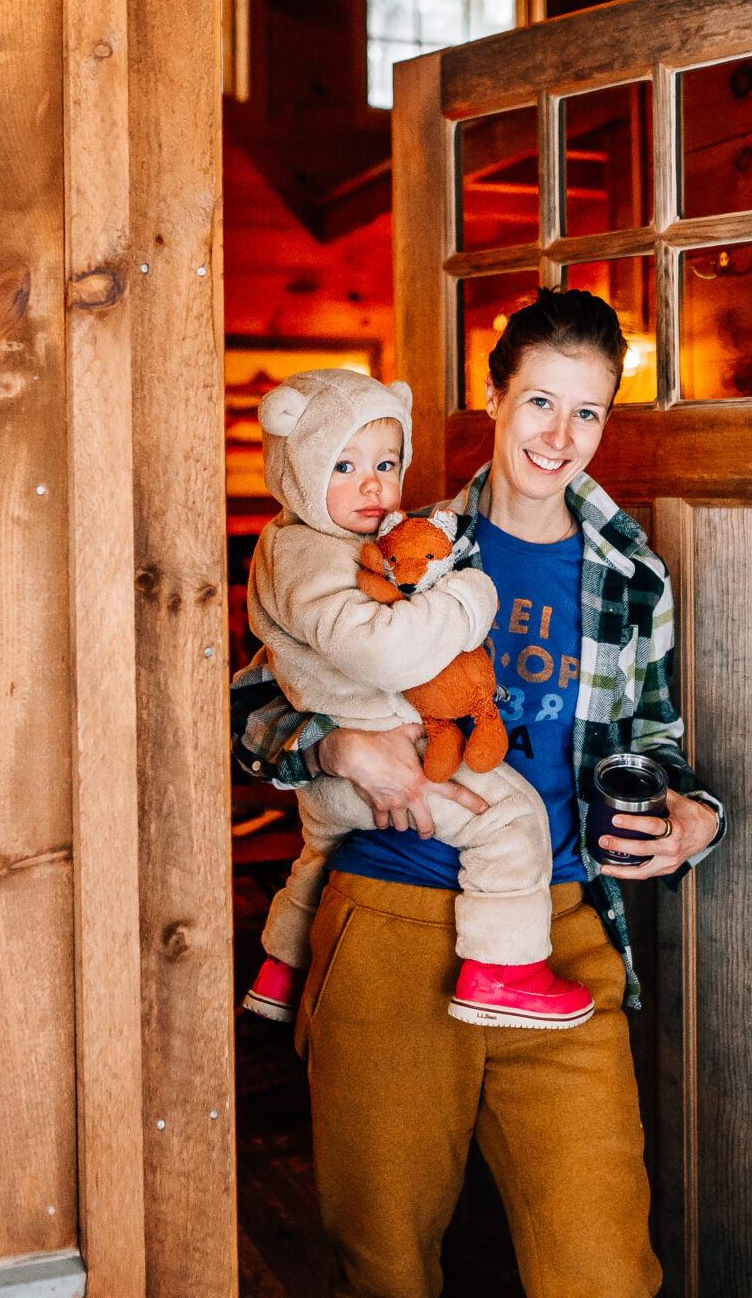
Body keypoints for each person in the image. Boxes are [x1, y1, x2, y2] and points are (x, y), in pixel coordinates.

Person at [233, 288, 724, 1298]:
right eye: (540, 401)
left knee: (605, 1271)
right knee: (386, 1267)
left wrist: (693, 816)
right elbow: (250, 704)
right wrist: (337, 747)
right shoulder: (387, 535)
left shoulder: (630, 574)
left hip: (558, 933)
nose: (558, 436)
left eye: (586, 412)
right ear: (493, 396)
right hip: (391, 920)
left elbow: (653, 738)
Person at [236, 364, 594, 1031]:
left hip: (341, 780)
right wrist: (468, 600)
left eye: (386, 462)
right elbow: (379, 651)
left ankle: (282, 967)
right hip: (373, 755)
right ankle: (503, 971)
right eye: (342, 465)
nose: (373, 484)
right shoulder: (312, 553)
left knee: (316, 855)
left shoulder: (336, 542)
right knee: (512, 817)